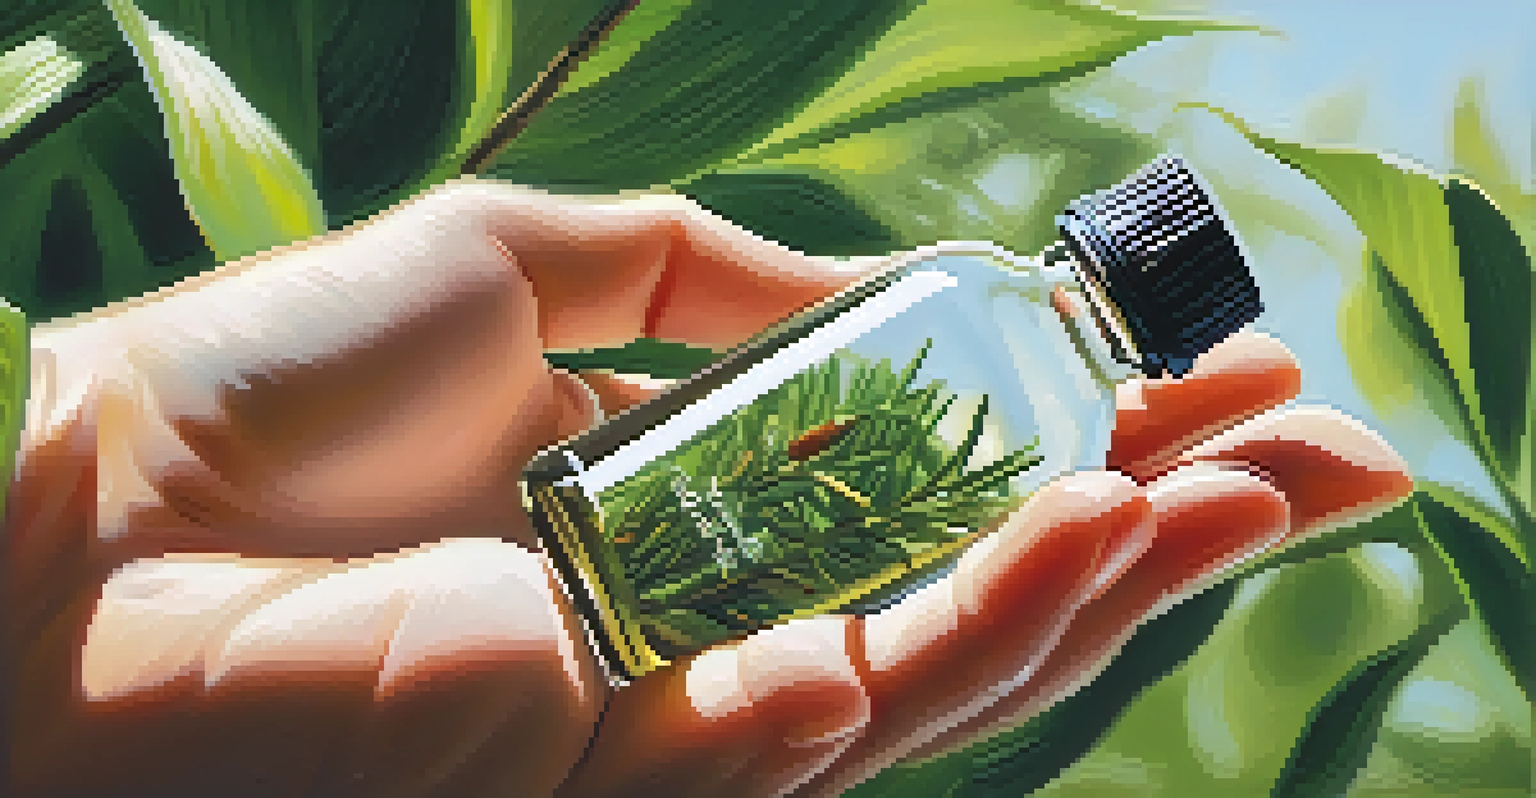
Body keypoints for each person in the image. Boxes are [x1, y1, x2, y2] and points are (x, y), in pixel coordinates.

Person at [6, 178, 1413, 798]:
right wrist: (76, 453)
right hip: (597, 563)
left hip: (575, 528)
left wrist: (66, 472)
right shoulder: (980, 302)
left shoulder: (1049, 403)